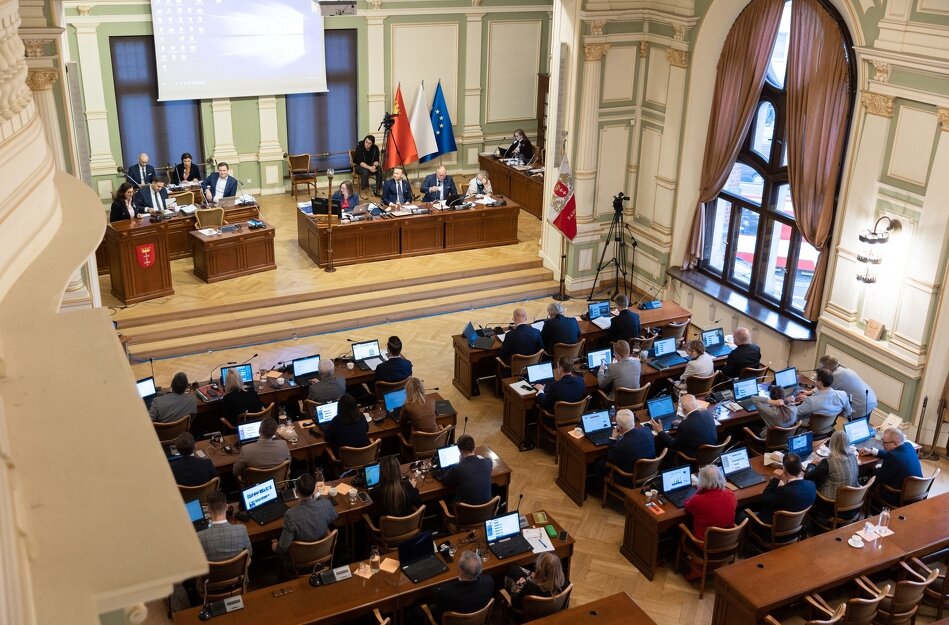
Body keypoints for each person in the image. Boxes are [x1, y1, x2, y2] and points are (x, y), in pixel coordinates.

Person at [272, 473, 338, 555]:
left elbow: (282, 549)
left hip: (302, 557)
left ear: (296, 491)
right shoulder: (326, 505)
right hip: (324, 553)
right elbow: (335, 515)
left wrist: (274, 545)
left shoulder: (290, 515)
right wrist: (317, 495)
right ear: (314, 489)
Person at [747, 452, 816, 526]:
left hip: (771, 527)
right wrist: (785, 486)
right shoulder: (812, 485)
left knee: (741, 514)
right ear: (800, 467)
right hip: (796, 526)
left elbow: (764, 499)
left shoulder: (784, 492)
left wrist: (775, 479)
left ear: (784, 469)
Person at [592, 409, 655, 490]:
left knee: (599, 462)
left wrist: (613, 438)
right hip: (648, 473)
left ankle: (598, 490)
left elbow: (610, 459)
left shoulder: (621, 446)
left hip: (628, 478)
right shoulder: (647, 430)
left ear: (619, 427)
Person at [860, 427, 922, 506]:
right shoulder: (908, 446)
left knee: (868, 478)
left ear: (896, 443)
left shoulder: (893, 457)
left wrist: (876, 469)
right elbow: (890, 454)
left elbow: (880, 479)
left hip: (897, 497)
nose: (883, 445)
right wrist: (872, 451)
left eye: (885, 443)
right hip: (916, 493)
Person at [428, 550, 494, 623]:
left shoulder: (447, 592)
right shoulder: (489, 581)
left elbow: (439, 615)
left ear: (460, 571)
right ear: (480, 569)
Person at [648, 394, 717, 457]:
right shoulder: (707, 413)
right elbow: (696, 422)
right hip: (712, 453)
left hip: (696, 456)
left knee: (661, 445)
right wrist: (683, 421)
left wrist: (660, 431)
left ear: (683, 409)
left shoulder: (684, 425)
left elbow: (674, 445)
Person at [684, 464, 737, 540]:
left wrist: (699, 491)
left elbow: (687, 504)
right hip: (728, 540)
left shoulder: (697, 500)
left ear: (702, 481)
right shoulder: (730, 494)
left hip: (704, 544)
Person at [818, 355, 878, 419]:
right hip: (870, 399)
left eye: (821, 368)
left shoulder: (836, 375)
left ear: (827, 367)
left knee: (856, 426)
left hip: (861, 405)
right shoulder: (845, 370)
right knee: (863, 425)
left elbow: (824, 392)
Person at [198, 491, 252, 561]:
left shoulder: (200, 537)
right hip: (237, 571)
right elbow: (250, 553)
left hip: (215, 572)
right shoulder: (242, 529)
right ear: (226, 507)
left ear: (209, 510)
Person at [805, 430, 859, 500]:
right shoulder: (853, 456)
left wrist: (812, 464)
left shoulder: (828, 461)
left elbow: (807, 477)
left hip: (831, 501)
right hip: (851, 498)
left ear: (831, 443)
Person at [441, 434, 493, 505]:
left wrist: (459, 463)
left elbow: (445, 480)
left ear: (460, 452)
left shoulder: (458, 468)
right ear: (474, 448)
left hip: (464, 513)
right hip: (486, 511)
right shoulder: (488, 462)